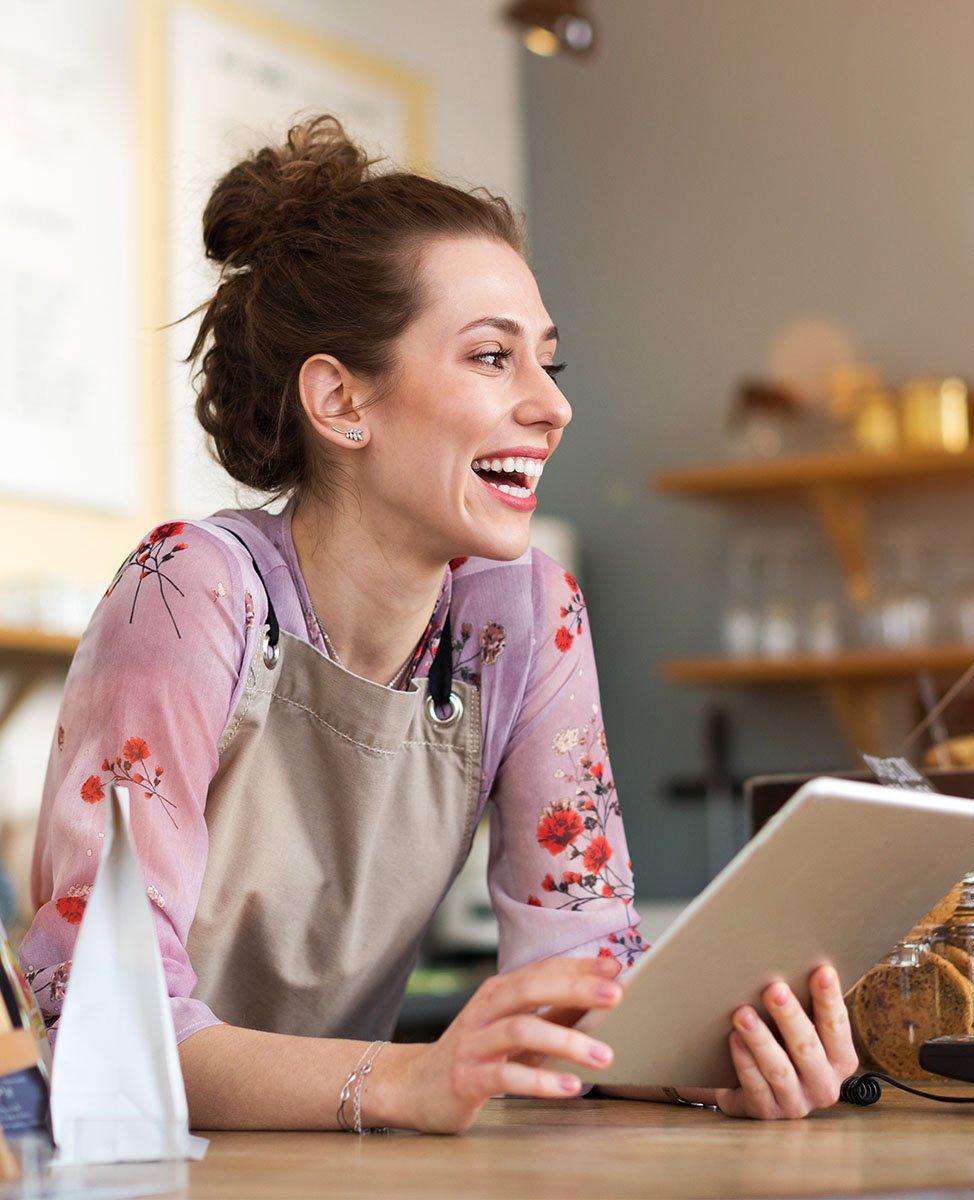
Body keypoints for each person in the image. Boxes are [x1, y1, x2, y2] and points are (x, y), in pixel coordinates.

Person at [19, 116, 856, 1133]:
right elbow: (103, 1020)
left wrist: (697, 1063)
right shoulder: (189, 591)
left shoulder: (525, 614)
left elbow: (576, 979)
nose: (553, 407)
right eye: (493, 358)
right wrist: (403, 1080)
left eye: (548, 361)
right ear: (339, 400)